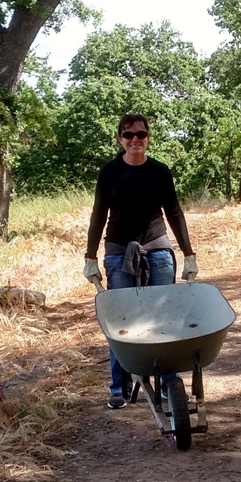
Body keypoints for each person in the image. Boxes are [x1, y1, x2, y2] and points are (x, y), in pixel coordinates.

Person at [83, 112, 199, 409]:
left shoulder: (159, 171)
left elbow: (174, 213)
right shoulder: (109, 172)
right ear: (120, 138)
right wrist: (90, 257)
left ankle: (167, 382)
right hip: (119, 249)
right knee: (121, 319)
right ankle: (119, 387)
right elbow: (99, 214)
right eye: (128, 134)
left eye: (141, 134)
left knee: (165, 317)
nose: (135, 140)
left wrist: (188, 255)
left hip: (157, 247)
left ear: (148, 137)